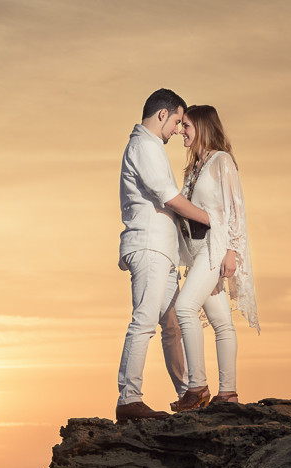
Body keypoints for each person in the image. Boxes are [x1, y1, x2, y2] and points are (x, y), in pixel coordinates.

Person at [116, 89, 211, 424]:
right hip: (149, 247)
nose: (177, 129)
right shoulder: (144, 145)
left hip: (163, 252)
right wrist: (210, 218)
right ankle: (129, 399)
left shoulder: (150, 147)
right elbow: (167, 196)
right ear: (162, 115)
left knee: (172, 325)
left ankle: (189, 392)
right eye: (176, 121)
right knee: (144, 321)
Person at [170, 105, 259, 411]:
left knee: (184, 308)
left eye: (187, 126)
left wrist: (232, 251)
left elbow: (235, 209)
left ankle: (197, 387)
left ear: (203, 127)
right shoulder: (195, 166)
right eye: (181, 126)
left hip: (215, 247)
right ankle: (229, 394)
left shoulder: (221, 162)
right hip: (197, 252)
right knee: (222, 322)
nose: (182, 130)